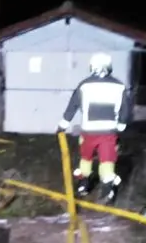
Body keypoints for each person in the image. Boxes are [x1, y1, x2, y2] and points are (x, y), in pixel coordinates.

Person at [57, 52, 132, 204]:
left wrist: (62, 125)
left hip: (89, 131)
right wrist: (121, 125)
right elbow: (125, 108)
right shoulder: (119, 86)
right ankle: (107, 190)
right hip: (109, 132)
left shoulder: (84, 85)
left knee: (86, 157)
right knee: (107, 160)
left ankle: (84, 184)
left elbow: (73, 105)